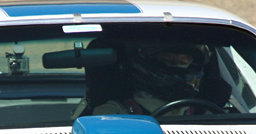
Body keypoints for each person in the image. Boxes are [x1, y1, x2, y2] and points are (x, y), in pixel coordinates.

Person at [84, 42, 216, 116]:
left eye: (184, 60)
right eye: (168, 58)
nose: (177, 62)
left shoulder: (211, 114)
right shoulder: (114, 112)